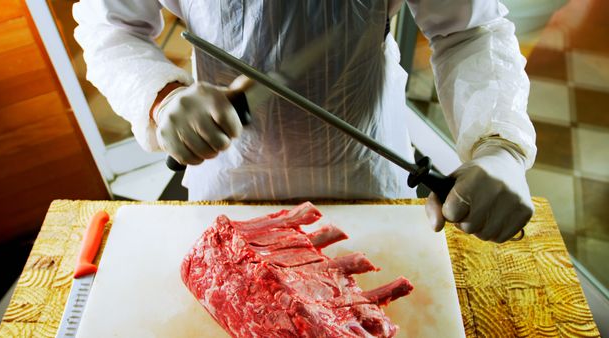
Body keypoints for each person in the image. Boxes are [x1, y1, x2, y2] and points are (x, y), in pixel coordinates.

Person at [73, 0, 536, 243]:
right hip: (232, 174)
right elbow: (111, 28)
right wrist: (160, 94)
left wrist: (498, 146)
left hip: (368, 173)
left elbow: (468, 30)